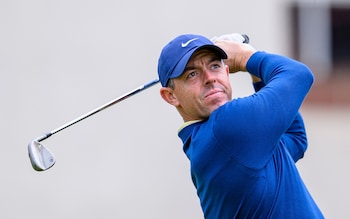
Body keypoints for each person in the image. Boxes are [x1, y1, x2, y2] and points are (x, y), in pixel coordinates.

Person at [157, 33, 324, 218]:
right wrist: (246, 57)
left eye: (214, 66)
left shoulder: (225, 140)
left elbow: (294, 139)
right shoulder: (225, 127)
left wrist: (255, 71)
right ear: (170, 96)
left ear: (226, 72)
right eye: (192, 74)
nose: (210, 78)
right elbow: (299, 75)